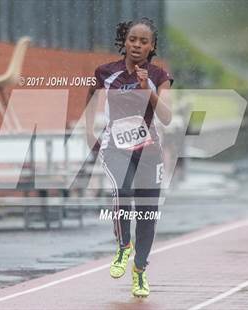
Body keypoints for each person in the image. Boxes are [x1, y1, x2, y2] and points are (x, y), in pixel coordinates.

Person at [85, 17, 173, 298]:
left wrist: (148, 90)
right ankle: (124, 247)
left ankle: (139, 270)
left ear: (152, 46)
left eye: (143, 41)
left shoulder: (160, 76)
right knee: (121, 191)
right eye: (132, 39)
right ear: (124, 41)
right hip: (115, 148)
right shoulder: (105, 72)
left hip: (148, 151)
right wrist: (88, 131)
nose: (137, 45)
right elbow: (89, 95)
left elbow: (167, 118)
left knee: (147, 213)